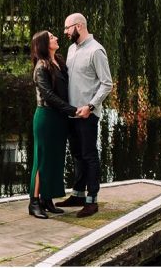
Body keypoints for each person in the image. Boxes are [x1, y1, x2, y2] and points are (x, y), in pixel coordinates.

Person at [55, 13, 114, 218]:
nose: (65, 32)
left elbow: (107, 84)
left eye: (67, 28)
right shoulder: (72, 49)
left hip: (87, 114)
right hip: (72, 114)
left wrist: (90, 106)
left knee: (89, 156)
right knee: (77, 155)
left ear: (79, 26)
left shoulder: (96, 50)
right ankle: (78, 194)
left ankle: (92, 200)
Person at [28, 30, 77, 219]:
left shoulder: (59, 61)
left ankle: (47, 200)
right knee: (41, 160)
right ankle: (34, 202)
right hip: (46, 117)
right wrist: (72, 110)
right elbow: (48, 95)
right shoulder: (41, 66)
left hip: (59, 118)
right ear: (43, 44)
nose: (56, 38)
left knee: (55, 158)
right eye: (51, 37)